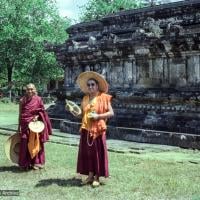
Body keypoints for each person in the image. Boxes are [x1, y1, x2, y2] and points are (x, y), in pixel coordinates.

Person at [75, 71, 114, 187]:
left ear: (97, 86)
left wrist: (98, 116)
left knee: (97, 153)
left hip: (97, 130)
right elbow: (82, 114)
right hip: (86, 129)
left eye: (93, 84)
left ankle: (97, 176)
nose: (90, 87)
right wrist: (74, 112)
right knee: (88, 153)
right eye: (89, 85)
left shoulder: (103, 97)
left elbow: (111, 113)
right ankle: (90, 175)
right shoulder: (85, 98)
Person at [17, 83, 52, 170]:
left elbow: (42, 112)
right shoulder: (22, 100)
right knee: (25, 142)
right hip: (24, 124)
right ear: (26, 90)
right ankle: (25, 163)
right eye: (28, 89)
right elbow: (20, 114)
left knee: (36, 142)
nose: (30, 91)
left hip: (35, 125)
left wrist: (37, 117)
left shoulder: (38, 99)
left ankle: (36, 163)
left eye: (31, 89)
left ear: (35, 89)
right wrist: (18, 127)